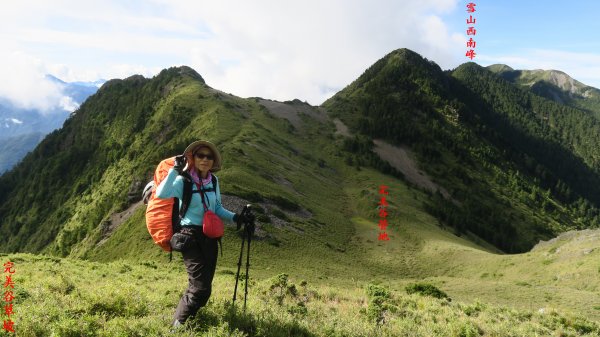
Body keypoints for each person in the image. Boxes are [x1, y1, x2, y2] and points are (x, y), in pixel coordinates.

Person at [155, 140, 252, 328]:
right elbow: (161, 193)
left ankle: (187, 321)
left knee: (203, 289)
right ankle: (175, 328)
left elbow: (216, 208)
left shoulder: (214, 181)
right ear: (194, 158)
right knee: (199, 288)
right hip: (189, 236)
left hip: (210, 238)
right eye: (201, 155)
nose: (205, 159)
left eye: (209, 156)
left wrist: (237, 218)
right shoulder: (183, 180)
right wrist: (175, 169)